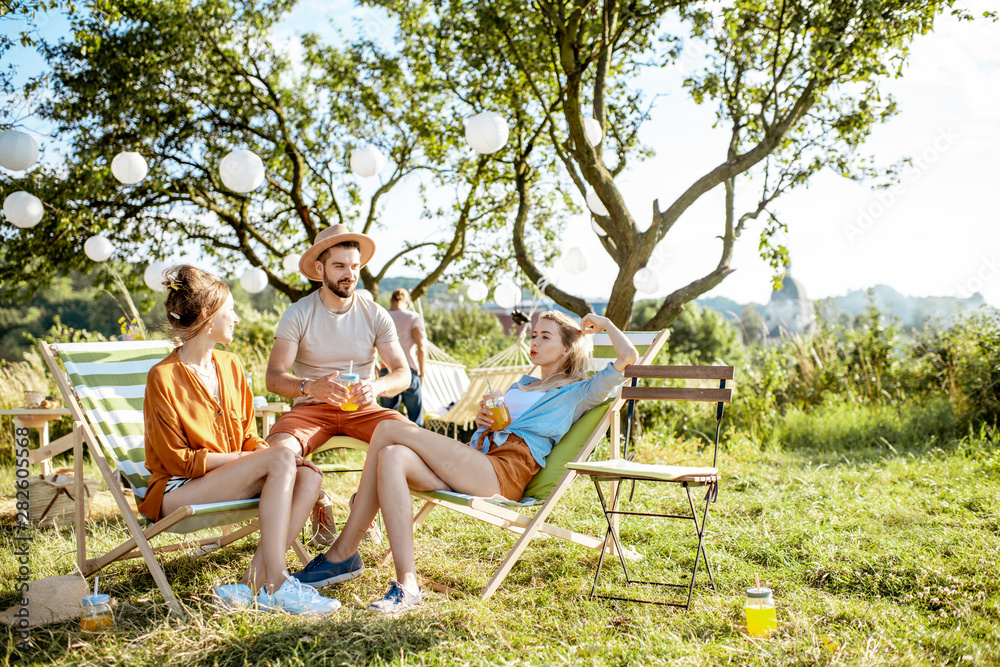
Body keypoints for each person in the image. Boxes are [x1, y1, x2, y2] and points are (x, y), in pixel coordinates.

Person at [291, 311, 638, 614]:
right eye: (533, 334)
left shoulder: (578, 391)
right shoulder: (522, 384)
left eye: (545, 336)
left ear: (567, 347)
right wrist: (483, 420)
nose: (534, 340)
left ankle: (342, 555)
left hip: (501, 475)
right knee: (392, 455)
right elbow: (493, 426)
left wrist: (604, 324)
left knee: (385, 428)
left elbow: (629, 357)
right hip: (477, 459)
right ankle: (407, 585)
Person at [139, 265, 341, 615]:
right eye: (230, 309)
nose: (236, 317)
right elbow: (177, 462)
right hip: (178, 489)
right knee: (280, 457)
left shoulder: (230, 365)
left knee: (308, 473)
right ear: (207, 315)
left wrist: (272, 459)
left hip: (226, 481)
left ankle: (251, 586)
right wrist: (257, 461)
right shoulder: (163, 377)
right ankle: (278, 583)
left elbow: (247, 437)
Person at [264, 224, 412, 543]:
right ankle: (318, 499)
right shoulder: (298, 313)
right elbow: (274, 377)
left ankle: (363, 504)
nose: (349, 274)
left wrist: (378, 387)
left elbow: (403, 372)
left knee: (410, 440)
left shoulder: (376, 314)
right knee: (277, 453)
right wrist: (309, 387)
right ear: (320, 269)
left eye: (355, 266)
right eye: (340, 266)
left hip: (363, 408)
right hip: (311, 409)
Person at [378, 288, 427, 426]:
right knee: (415, 421)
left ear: (391, 300)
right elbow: (421, 347)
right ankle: (415, 447)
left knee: (387, 420)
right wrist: (422, 373)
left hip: (386, 370)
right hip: (408, 371)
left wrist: (376, 368)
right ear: (407, 302)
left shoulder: (381, 316)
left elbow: (369, 345)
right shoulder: (413, 317)